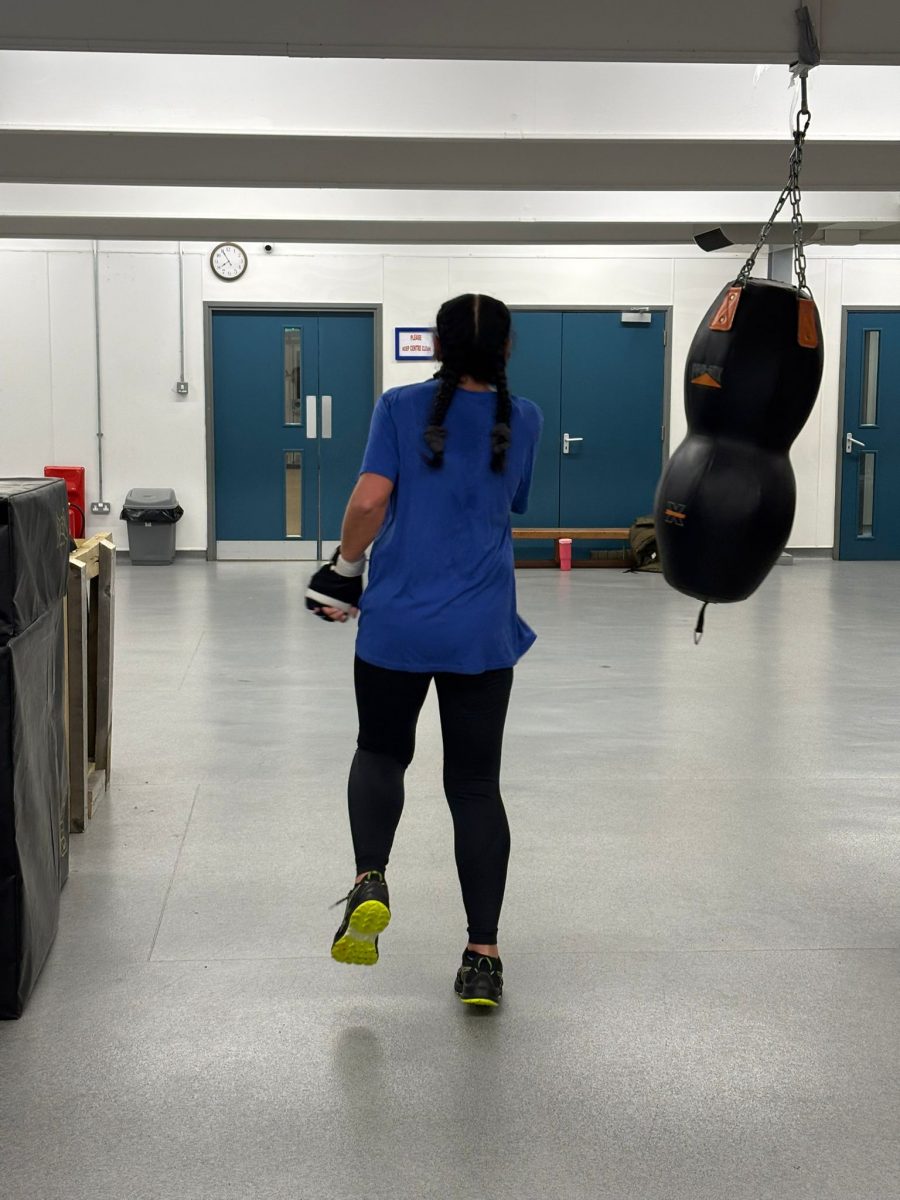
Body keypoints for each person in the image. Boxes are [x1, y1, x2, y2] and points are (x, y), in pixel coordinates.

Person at [306, 293, 543, 1007]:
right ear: (507, 349)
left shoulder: (399, 407)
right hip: (481, 631)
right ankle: (482, 957)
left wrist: (344, 568)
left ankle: (370, 878)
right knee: (474, 786)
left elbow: (369, 500)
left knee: (381, 753)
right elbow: (510, 498)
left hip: (398, 626)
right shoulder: (523, 417)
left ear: (437, 346)